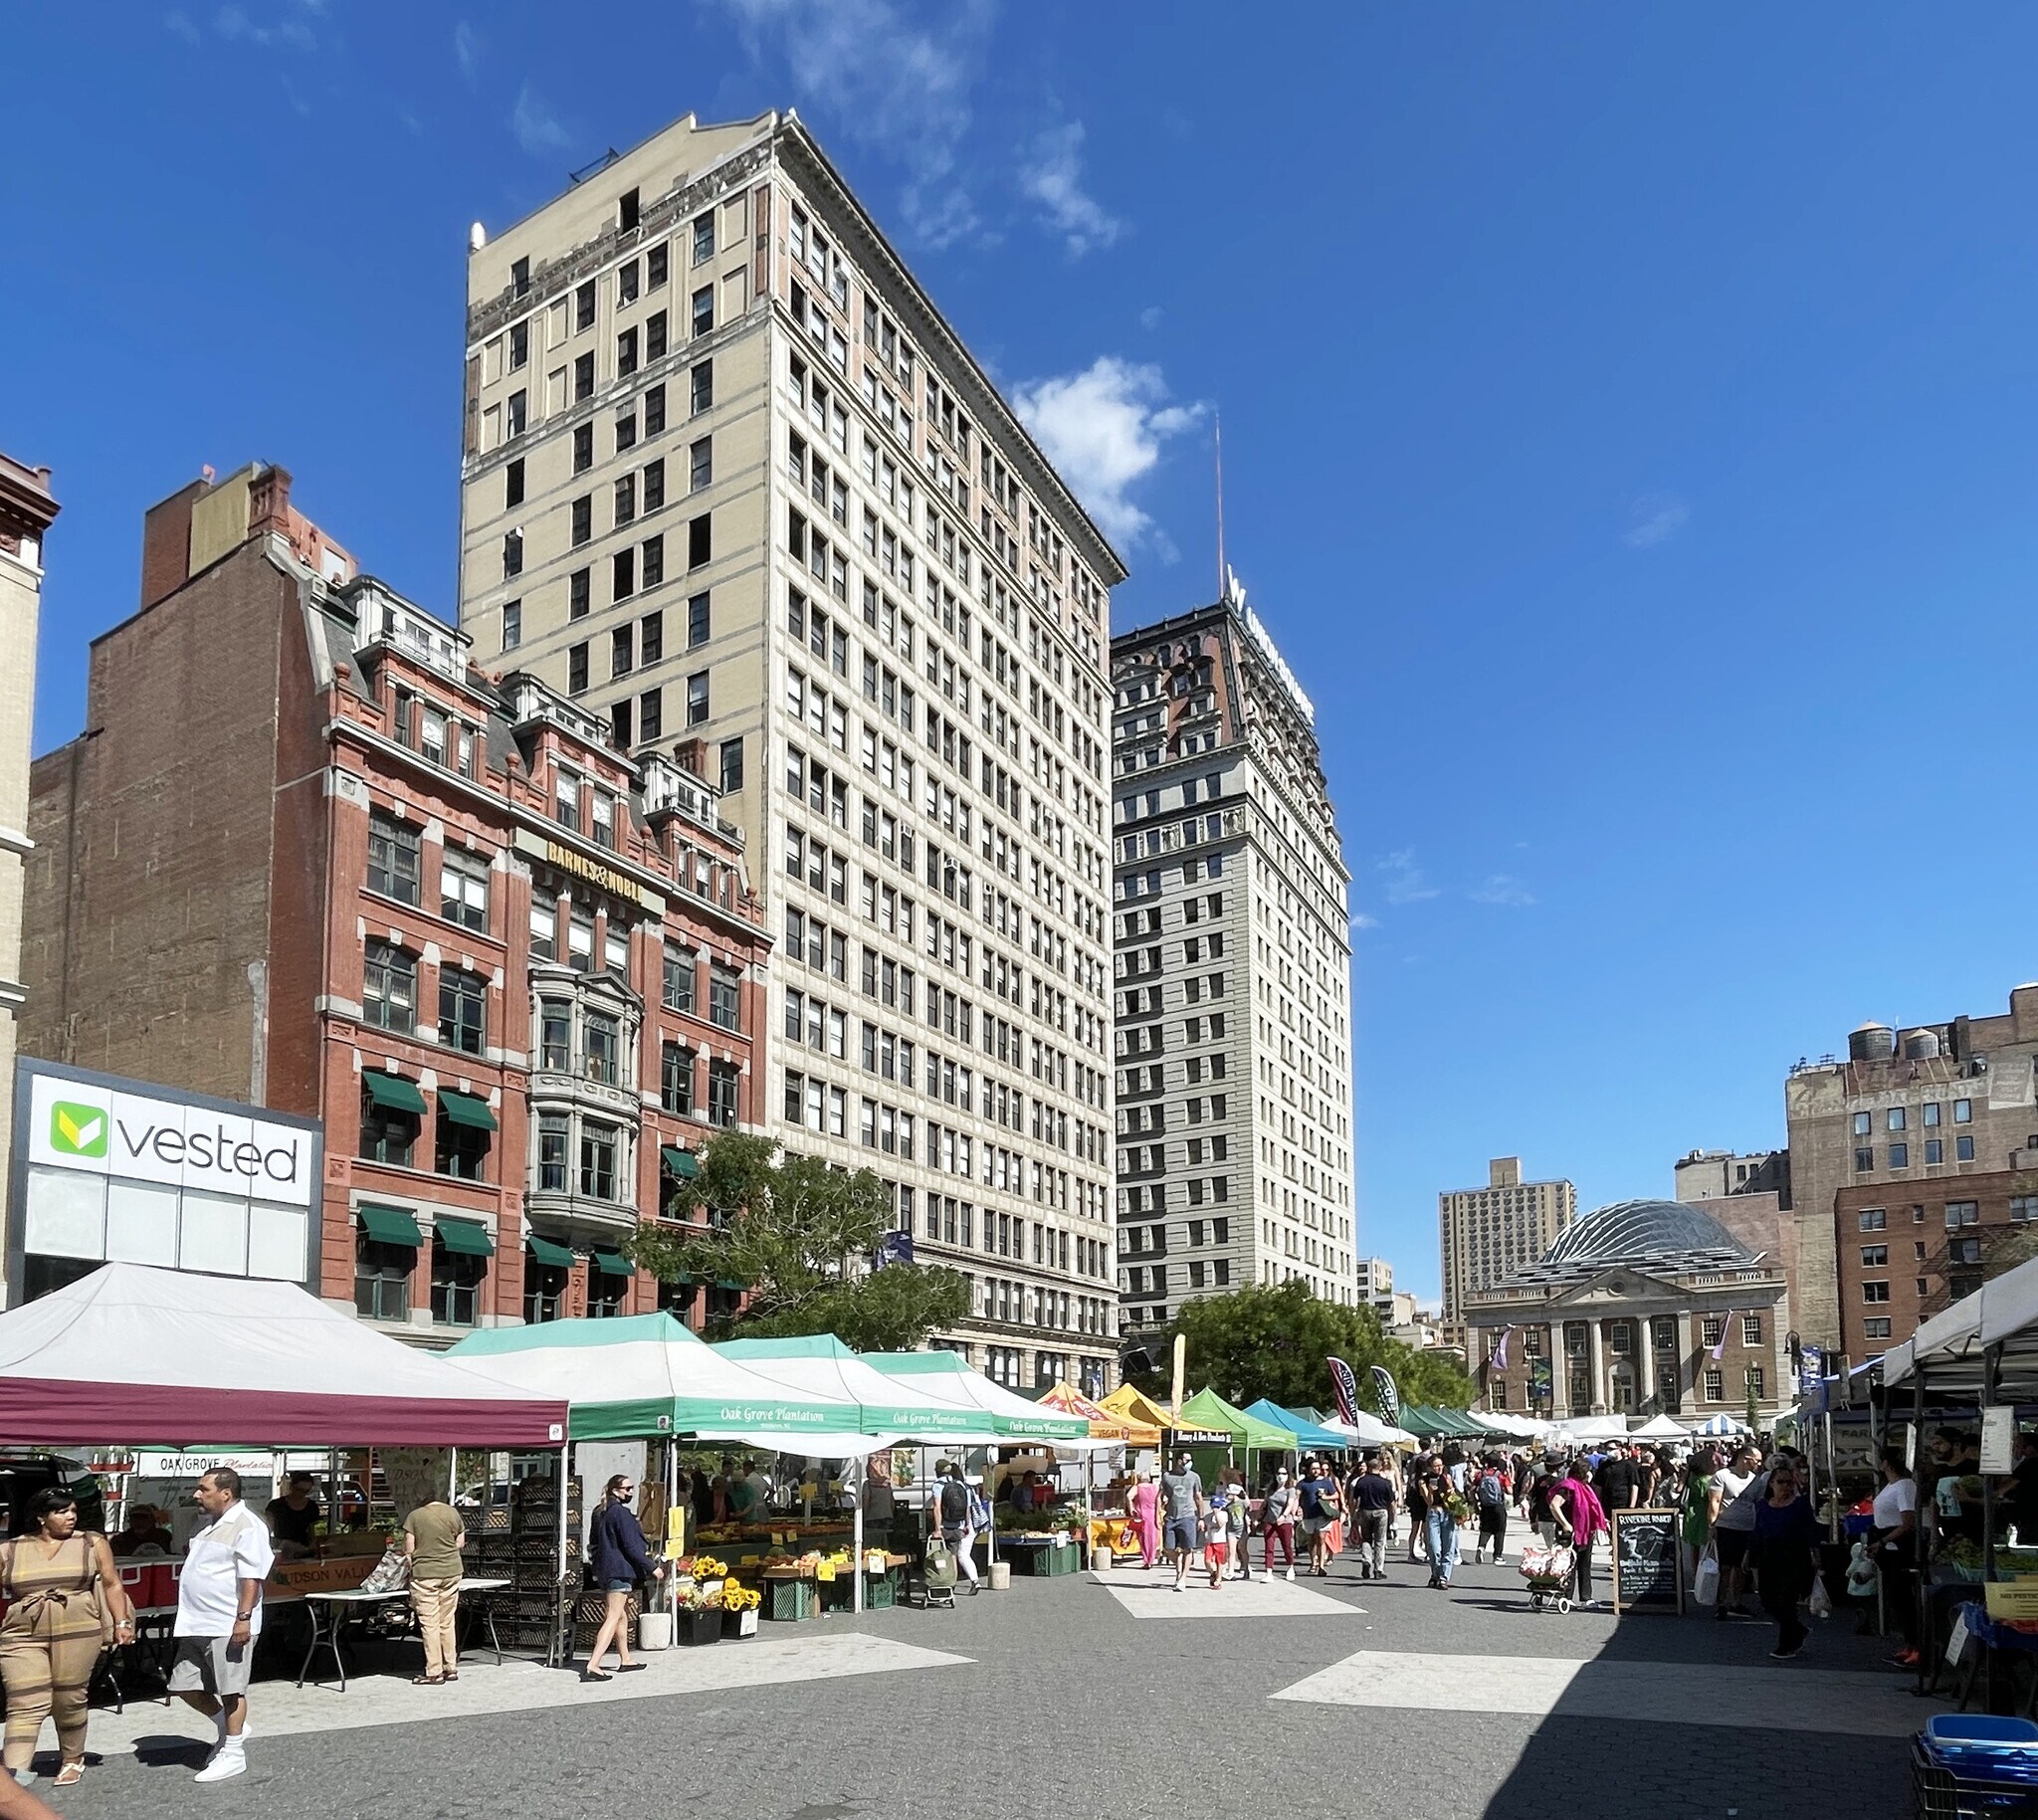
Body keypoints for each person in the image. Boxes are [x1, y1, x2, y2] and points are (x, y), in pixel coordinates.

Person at [0, 1488, 134, 1789]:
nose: (71, 1517)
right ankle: (14, 1775)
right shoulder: (11, 1549)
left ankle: (72, 1758)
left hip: (78, 1627)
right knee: (24, 1699)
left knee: (68, 1696)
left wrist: (122, 1622)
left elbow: (112, 1583)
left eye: (73, 1511)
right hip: (22, 1632)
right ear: (41, 1517)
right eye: (61, 1512)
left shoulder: (91, 1542)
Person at [170, 1468, 274, 1784]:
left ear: (226, 1493)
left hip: (226, 1622)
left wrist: (243, 1619)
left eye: (204, 1489)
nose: (197, 1494)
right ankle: (225, 1727)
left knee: (231, 1690)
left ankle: (234, 1752)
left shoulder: (248, 1525)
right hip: (195, 1621)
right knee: (183, 1685)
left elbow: (252, 1577)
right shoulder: (206, 1523)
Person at [583, 1473, 663, 1681]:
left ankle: (626, 1658)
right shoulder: (620, 1513)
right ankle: (594, 1663)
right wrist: (651, 1567)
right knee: (613, 1615)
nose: (631, 1492)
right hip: (620, 1569)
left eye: (631, 1488)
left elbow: (593, 1543)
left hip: (605, 1569)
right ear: (615, 1491)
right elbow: (631, 1546)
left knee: (621, 1614)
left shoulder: (600, 1511)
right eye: (627, 1489)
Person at [1750, 1457, 1821, 1660]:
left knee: (1787, 1601)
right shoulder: (1763, 1506)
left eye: (1789, 1482)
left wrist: (1816, 1555)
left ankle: (1786, 1644)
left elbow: (1811, 1531)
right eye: (1780, 1482)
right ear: (1771, 1483)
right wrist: (1748, 1555)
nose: (1785, 1486)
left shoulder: (1800, 1505)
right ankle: (1798, 1630)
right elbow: (1757, 1532)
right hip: (1769, 1556)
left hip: (1795, 1557)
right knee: (1768, 1601)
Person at [401, 1493, 467, 1686]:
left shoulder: (415, 1516)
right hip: (452, 1571)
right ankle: (450, 1667)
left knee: (430, 1623)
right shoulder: (453, 1513)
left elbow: (409, 1547)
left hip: (425, 1574)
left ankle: (434, 1672)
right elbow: (460, 1543)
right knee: (447, 1621)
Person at [1871, 1448, 1921, 1668]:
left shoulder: (1904, 1485)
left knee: (1904, 1598)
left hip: (1898, 1546)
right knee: (1897, 1599)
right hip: (1886, 1544)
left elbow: (1907, 1521)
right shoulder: (1891, 1486)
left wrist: (1883, 1541)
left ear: (1886, 1463)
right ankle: (1910, 1645)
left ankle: (1917, 1647)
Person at [1711, 1445, 1763, 1620]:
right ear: (1745, 1459)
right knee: (1725, 1567)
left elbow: (1759, 1504)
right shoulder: (1723, 1475)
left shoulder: (1757, 1481)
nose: (1759, 1464)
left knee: (1741, 1567)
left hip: (1748, 1527)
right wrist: (1712, 1525)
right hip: (1726, 1526)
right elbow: (1715, 1501)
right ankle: (1722, 1603)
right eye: (1757, 1461)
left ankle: (1736, 1602)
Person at [1554, 1458, 1608, 1610]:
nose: (1591, 1474)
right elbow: (1554, 1504)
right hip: (1570, 1531)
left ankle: (1586, 1597)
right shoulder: (1568, 1486)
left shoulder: (1586, 1487)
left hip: (1586, 1530)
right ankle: (1566, 1596)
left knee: (1585, 1563)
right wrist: (1565, 1524)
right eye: (1588, 1471)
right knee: (1569, 1564)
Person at [1159, 1452, 1206, 1594]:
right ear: (1179, 1461)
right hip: (1171, 1517)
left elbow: (1198, 1497)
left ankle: (1182, 1579)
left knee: (1188, 1549)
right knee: (1168, 1549)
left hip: (1188, 1516)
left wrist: (1201, 1518)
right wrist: (1158, 1513)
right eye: (1187, 1460)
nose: (1190, 1463)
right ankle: (1178, 1566)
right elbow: (1161, 1495)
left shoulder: (1194, 1477)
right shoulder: (1167, 1476)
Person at [933, 1462, 981, 1595]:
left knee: (941, 1555)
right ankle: (952, 1585)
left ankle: (945, 1584)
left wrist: (937, 1529)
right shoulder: (963, 1485)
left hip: (945, 1526)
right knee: (955, 1555)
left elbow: (937, 1507)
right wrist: (966, 1525)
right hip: (960, 1526)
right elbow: (968, 1509)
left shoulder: (939, 1485)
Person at [1679, 1448, 1722, 1592]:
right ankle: (1709, 1572)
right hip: (1705, 1513)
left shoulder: (1692, 1477)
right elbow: (1711, 1499)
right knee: (1710, 1545)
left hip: (1692, 1513)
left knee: (1695, 1547)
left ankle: (1696, 1571)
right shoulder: (1707, 1481)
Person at [1350, 1455, 1395, 1582]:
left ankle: (1366, 1560)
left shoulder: (1361, 1481)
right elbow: (1391, 1502)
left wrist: (1353, 1515)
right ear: (1380, 1467)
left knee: (1366, 1539)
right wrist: (1393, 1516)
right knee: (1380, 1541)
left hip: (1365, 1511)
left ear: (1368, 1467)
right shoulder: (1385, 1482)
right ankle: (1378, 1569)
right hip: (1381, 1511)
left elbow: (1354, 1500)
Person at [263, 1472, 321, 1560]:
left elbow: (313, 1531)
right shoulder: (276, 1505)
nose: (302, 1494)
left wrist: (312, 1547)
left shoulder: (312, 1506)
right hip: (281, 1549)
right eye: (299, 1490)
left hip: (304, 1551)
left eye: (306, 1491)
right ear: (291, 1487)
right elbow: (267, 1529)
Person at [1299, 1459, 1342, 1577]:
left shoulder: (1326, 1482)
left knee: (1321, 1538)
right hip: (1309, 1515)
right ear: (1309, 1470)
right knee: (1312, 1540)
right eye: (1313, 1468)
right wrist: (1297, 1508)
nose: (1316, 1471)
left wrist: (1326, 1497)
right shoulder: (1303, 1483)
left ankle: (1321, 1566)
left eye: (1317, 1468)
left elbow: (1336, 1494)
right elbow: (1297, 1496)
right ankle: (1313, 1563)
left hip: (1323, 1514)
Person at [1261, 1467, 1300, 1580]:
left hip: (1285, 1521)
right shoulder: (1271, 1489)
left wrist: (1283, 1516)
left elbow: (1290, 1504)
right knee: (1269, 1546)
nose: (1280, 1476)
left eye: (1283, 1473)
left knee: (1286, 1545)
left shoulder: (1290, 1490)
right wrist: (1257, 1515)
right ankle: (1268, 1572)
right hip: (1270, 1520)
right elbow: (1265, 1503)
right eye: (1278, 1473)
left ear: (1288, 1475)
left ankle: (1290, 1567)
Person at [1472, 1455, 1510, 1565]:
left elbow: (1472, 1489)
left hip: (1485, 1506)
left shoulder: (1481, 1474)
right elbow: (1509, 1490)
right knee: (1500, 1531)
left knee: (1485, 1529)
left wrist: (1475, 1503)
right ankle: (1497, 1556)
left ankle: (1481, 1547)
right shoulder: (1500, 1475)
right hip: (1498, 1506)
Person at [108, 1503, 174, 1557]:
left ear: (152, 1520)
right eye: (135, 1517)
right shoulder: (120, 1540)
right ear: (130, 1521)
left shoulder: (164, 1536)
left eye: (143, 1517)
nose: (139, 1521)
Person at [1202, 1485, 1235, 1589]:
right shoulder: (1208, 1517)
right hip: (1210, 1541)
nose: (1215, 1508)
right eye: (1214, 1506)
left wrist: (1217, 1514)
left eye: (1217, 1506)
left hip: (1220, 1541)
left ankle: (1218, 1579)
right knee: (1207, 1561)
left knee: (1220, 1561)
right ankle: (1213, 1572)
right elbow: (1205, 1526)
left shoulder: (1223, 1514)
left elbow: (1220, 1524)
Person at [1127, 1471, 1160, 1570]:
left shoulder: (1137, 1487)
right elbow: (1160, 1500)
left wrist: (1131, 1508)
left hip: (1141, 1513)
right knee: (1153, 1537)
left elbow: (1129, 1496)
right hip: (1153, 1513)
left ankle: (1146, 1559)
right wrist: (1158, 1513)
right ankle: (1151, 1559)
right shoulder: (1155, 1487)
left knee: (1143, 1538)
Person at [1404, 1457, 1432, 1566]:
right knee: (1426, 1531)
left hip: (1415, 1505)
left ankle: (1411, 1553)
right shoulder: (1425, 1478)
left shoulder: (1413, 1478)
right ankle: (1428, 1553)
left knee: (1414, 1529)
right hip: (1424, 1504)